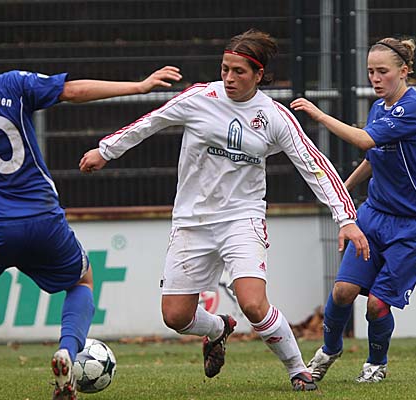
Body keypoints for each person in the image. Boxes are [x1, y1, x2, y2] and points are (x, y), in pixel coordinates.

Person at [79, 28, 370, 391]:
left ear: (259, 75)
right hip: (192, 221)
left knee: (253, 304)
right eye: (225, 69)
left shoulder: (274, 116)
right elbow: (150, 122)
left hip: (242, 219)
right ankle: (218, 329)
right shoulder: (200, 97)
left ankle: (299, 370)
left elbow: (313, 165)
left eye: (239, 71)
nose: (229, 78)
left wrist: (345, 218)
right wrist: (106, 151)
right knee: (176, 317)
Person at [0, 28, 182, 400]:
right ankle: (67, 350)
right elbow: (73, 91)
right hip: (42, 220)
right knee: (81, 282)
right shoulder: (13, 84)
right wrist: (139, 86)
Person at [291, 37, 416, 384]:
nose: (375, 78)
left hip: (414, 224)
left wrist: (318, 114)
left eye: (382, 71)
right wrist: (343, 189)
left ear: (404, 71)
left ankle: (376, 364)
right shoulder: (379, 109)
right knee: (343, 291)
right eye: (371, 71)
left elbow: (364, 140)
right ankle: (328, 351)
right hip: (373, 215)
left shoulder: (413, 108)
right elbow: (373, 158)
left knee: (376, 303)